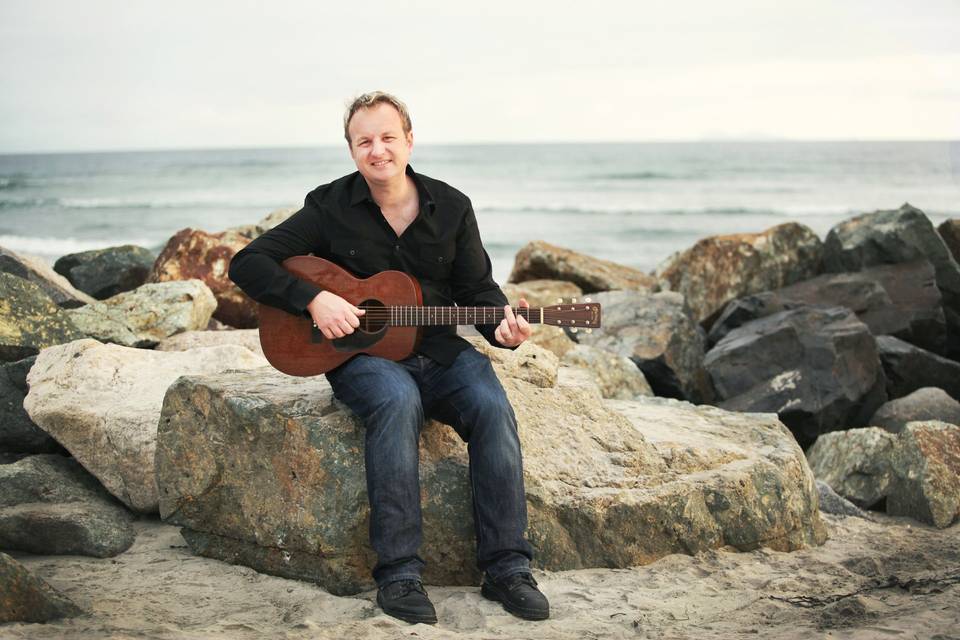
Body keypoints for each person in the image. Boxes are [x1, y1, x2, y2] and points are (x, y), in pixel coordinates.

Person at [228, 91, 549, 624]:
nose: (378, 150)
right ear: (351, 150)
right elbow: (248, 262)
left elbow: (478, 291)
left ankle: (507, 569)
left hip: (441, 350)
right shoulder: (328, 207)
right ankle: (400, 577)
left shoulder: (452, 206)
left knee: (493, 408)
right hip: (362, 359)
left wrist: (504, 331)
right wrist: (313, 298)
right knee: (397, 401)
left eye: (388, 137)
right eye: (364, 141)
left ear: (409, 140)